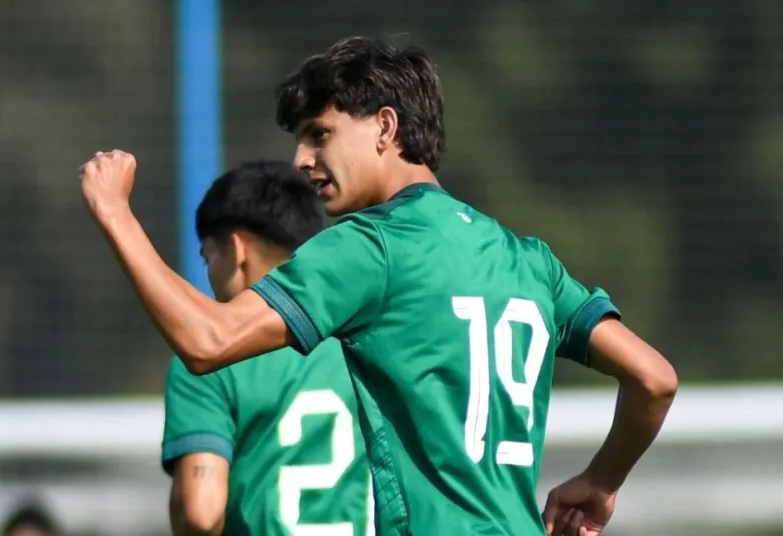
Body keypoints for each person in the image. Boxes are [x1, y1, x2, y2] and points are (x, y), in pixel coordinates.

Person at [79, 36, 677, 536]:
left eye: (320, 134)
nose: (301, 160)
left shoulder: (371, 247)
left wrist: (116, 214)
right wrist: (601, 483)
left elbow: (208, 341)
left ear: (385, 127)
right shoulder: (528, 258)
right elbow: (654, 380)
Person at [161, 160, 373, 535]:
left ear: (236, 249)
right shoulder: (364, 344)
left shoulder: (207, 361)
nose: (209, 272)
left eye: (207, 256)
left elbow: (201, 512)